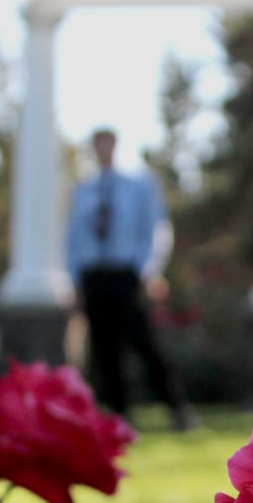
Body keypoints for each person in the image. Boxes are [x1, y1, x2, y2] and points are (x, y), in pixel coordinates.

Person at [65, 128, 194, 430]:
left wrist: (149, 271)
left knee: (144, 343)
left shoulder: (139, 184)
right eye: (97, 145)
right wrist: (74, 278)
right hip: (94, 275)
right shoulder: (84, 188)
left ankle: (177, 408)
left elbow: (156, 229)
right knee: (104, 351)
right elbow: (72, 237)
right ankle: (119, 416)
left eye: (107, 144)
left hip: (127, 274)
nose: (103, 150)